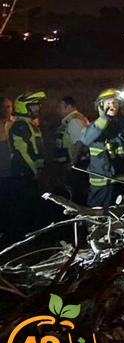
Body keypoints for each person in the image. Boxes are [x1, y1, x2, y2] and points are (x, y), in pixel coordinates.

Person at [80, 89, 124, 208]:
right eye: (108, 103)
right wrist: (103, 119)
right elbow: (85, 139)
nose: (112, 106)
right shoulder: (96, 126)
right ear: (100, 106)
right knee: (99, 219)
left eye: (115, 103)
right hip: (102, 185)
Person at [4, 91, 46, 240]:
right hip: (23, 173)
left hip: (29, 173)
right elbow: (24, 151)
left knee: (29, 206)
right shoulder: (21, 125)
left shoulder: (28, 124)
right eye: (34, 105)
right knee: (21, 207)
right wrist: (35, 170)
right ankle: (20, 238)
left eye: (38, 105)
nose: (38, 108)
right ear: (24, 107)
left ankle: (29, 235)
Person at [55, 96, 90, 202]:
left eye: (61, 107)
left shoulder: (74, 121)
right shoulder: (74, 119)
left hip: (77, 167)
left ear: (69, 106)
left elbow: (78, 143)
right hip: (75, 165)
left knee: (77, 194)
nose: (58, 110)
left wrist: (72, 163)